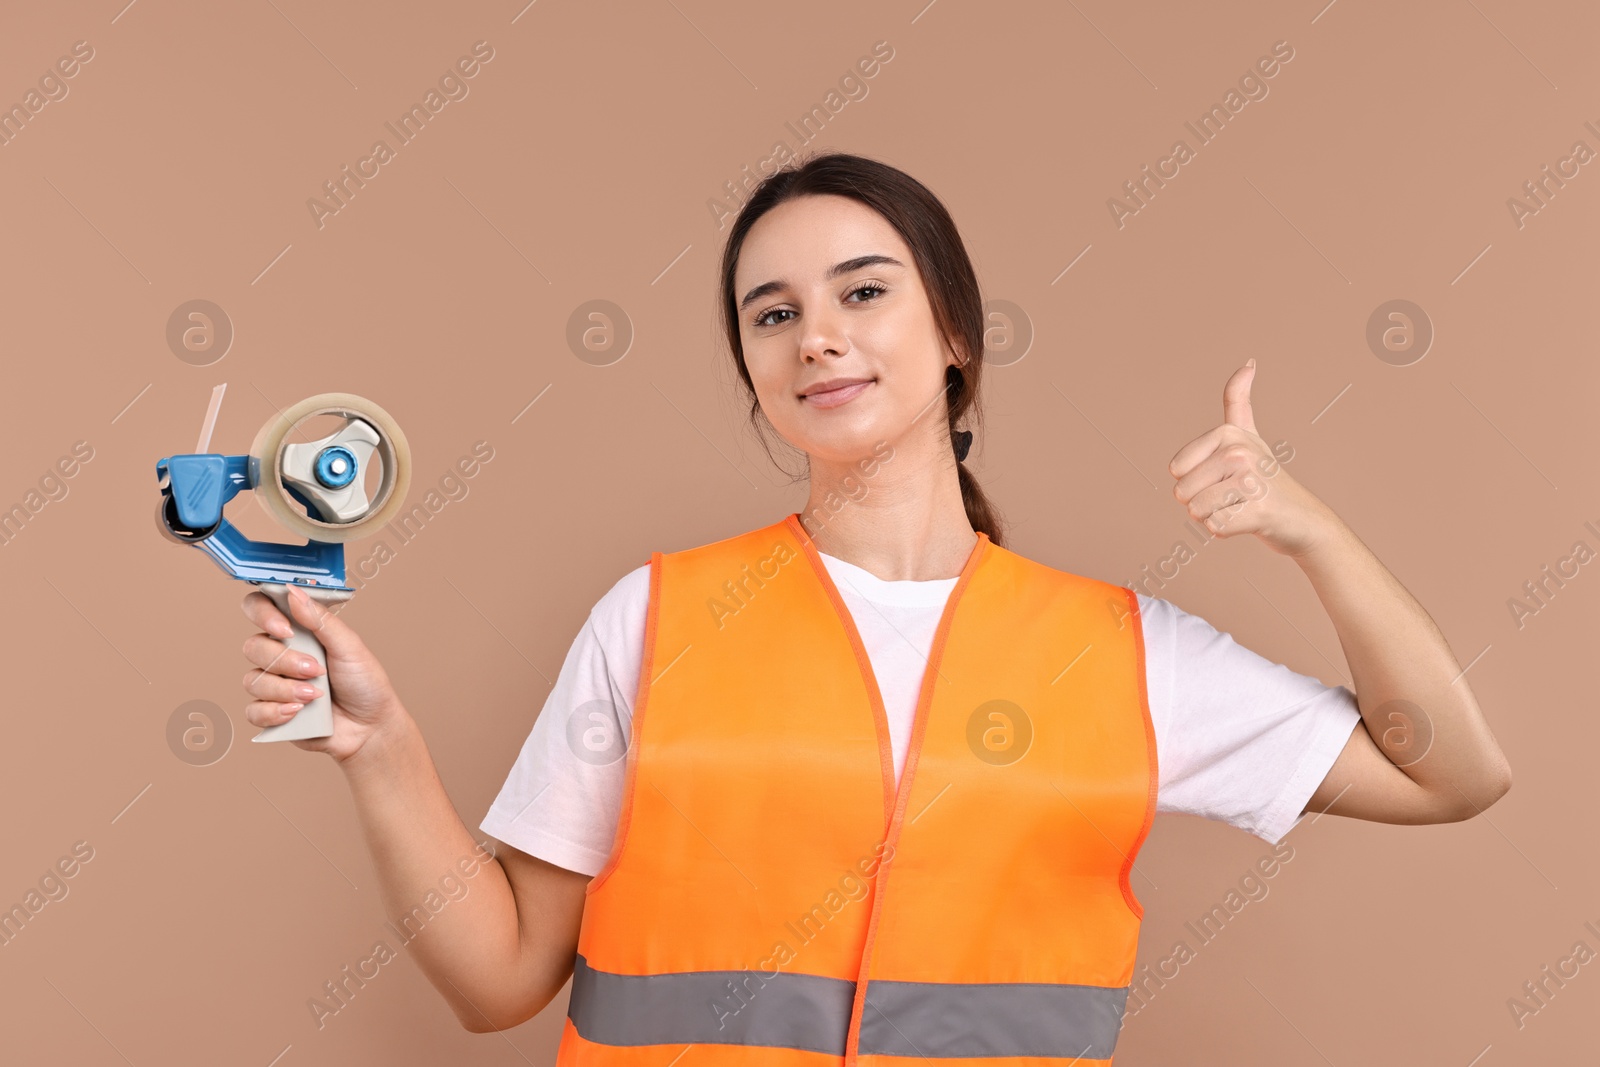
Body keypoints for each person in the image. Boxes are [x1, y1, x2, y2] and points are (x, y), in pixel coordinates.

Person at [239, 152, 1512, 1061]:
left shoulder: (1122, 655)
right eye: (773, 313)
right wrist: (380, 747)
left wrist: (1310, 532)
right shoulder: (656, 615)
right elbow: (499, 979)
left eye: (863, 292)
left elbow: (1453, 771)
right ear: (749, 365)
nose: (817, 338)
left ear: (953, 328)